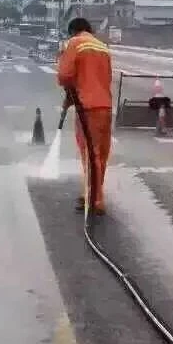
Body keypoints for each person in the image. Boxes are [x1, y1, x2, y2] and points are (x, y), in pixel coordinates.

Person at [57, 18, 113, 215]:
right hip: (105, 106)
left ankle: (94, 200)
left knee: (90, 155)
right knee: (100, 156)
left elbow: (64, 75)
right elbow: (98, 79)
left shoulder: (75, 43)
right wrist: (72, 96)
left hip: (87, 108)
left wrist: (71, 94)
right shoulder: (102, 47)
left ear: (74, 31)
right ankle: (94, 194)